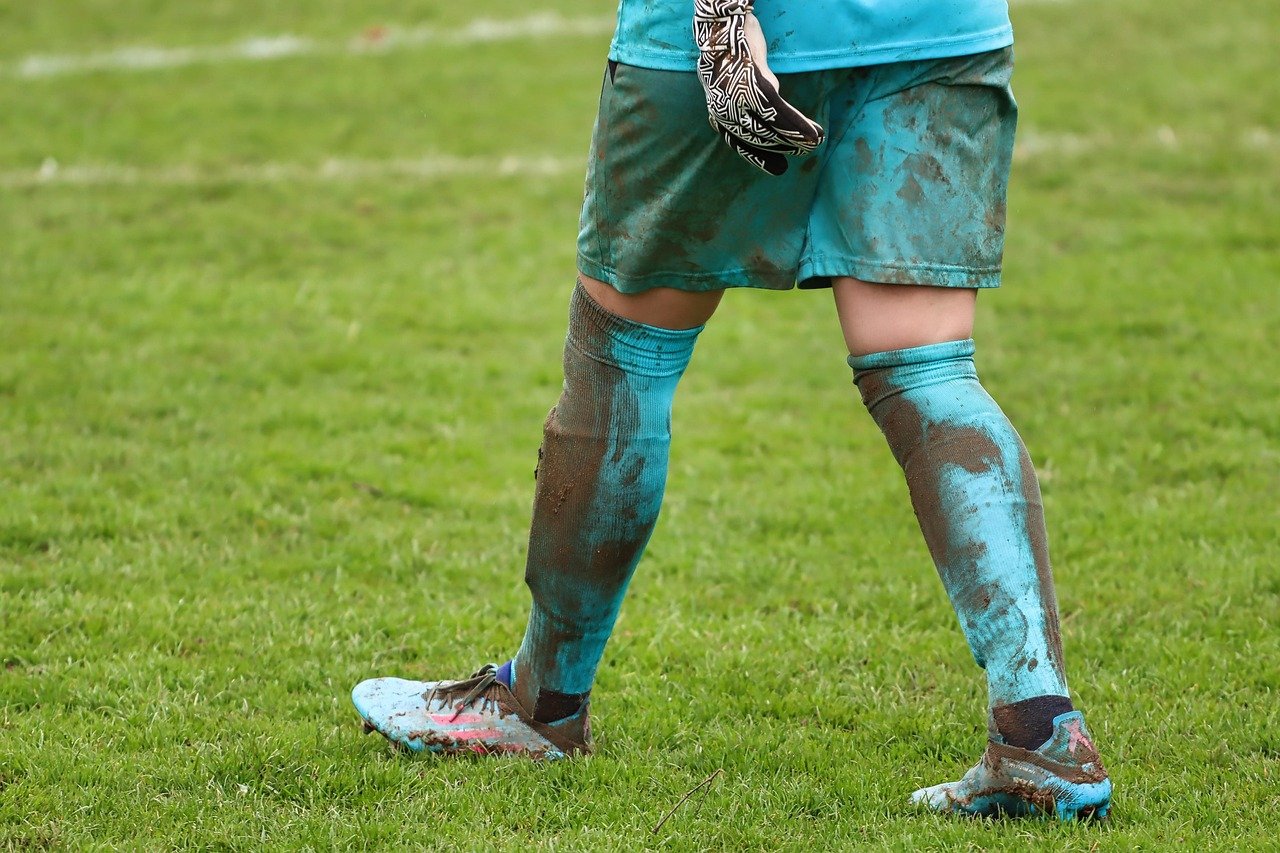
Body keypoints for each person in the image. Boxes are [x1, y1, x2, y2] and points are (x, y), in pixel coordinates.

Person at [352, 0, 1112, 820]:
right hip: (941, 29)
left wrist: (719, 16)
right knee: (927, 370)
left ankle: (542, 706)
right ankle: (1043, 732)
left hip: (752, 33)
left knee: (623, 355)